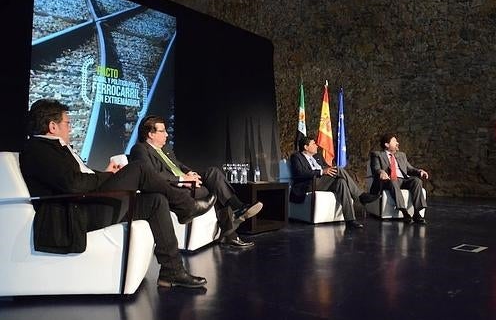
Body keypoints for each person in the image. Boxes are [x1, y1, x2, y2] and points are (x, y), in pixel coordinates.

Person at [19, 98, 217, 289]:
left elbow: (78, 178)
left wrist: (106, 174)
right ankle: (186, 207)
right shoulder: (38, 150)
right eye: (67, 123)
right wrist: (107, 178)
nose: (69, 127)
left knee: (156, 201)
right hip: (76, 215)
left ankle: (172, 271)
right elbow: (73, 184)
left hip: (87, 205)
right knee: (138, 168)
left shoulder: (54, 148)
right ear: (53, 127)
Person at [129, 115, 263, 248]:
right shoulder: (140, 149)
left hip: (186, 181)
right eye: (162, 131)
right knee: (213, 190)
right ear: (150, 134)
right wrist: (182, 180)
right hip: (173, 188)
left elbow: (179, 165)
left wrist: (190, 173)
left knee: (213, 173)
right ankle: (230, 234)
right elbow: (151, 175)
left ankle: (237, 207)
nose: (166, 135)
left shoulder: (166, 149)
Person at [290, 136, 380, 229]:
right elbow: (300, 173)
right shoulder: (296, 157)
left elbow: (328, 168)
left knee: (341, 182)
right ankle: (360, 196)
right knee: (338, 170)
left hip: (322, 183)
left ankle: (350, 220)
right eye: (313, 144)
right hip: (308, 184)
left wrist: (328, 170)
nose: (317, 146)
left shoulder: (318, 157)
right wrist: (321, 172)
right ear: (306, 147)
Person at [369, 133, 429, 224]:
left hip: (403, 180)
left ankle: (417, 213)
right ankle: (405, 212)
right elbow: (375, 168)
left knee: (417, 181)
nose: (397, 143)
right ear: (387, 144)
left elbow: (409, 169)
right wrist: (381, 172)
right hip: (388, 181)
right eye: (394, 141)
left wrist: (419, 171)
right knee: (393, 182)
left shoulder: (401, 155)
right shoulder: (377, 155)